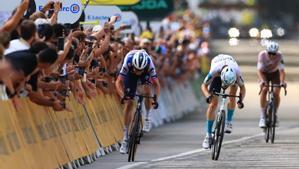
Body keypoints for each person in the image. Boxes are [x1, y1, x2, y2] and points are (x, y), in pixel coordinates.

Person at [115, 49, 160, 154]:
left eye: (140, 70)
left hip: (146, 74)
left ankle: (148, 117)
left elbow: (157, 85)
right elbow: (118, 82)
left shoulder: (149, 63)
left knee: (147, 90)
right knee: (129, 103)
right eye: (136, 69)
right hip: (130, 75)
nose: (138, 72)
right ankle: (125, 138)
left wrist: (155, 99)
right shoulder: (128, 61)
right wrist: (122, 96)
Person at [201, 54, 246, 149]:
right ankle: (208, 135)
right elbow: (203, 86)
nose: (225, 86)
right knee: (213, 104)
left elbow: (242, 88)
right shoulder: (214, 72)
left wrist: (240, 100)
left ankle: (228, 122)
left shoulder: (237, 72)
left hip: (230, 70)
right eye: (225, 84)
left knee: (233, 95)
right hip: (218, 73)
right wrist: (208, 96)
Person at [257, 41, 286, 128]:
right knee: (265, 89)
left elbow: (282, 71)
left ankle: (274, 113)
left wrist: (282, 81)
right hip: (264, 73)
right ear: (266, 51)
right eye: (270, 53)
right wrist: (262, 81)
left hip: (275, 74)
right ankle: (262, 116)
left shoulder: (280, 56)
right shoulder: (262, 55)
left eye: (274, 53)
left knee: (276, 92)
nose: (272, 56)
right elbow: (259, 71)